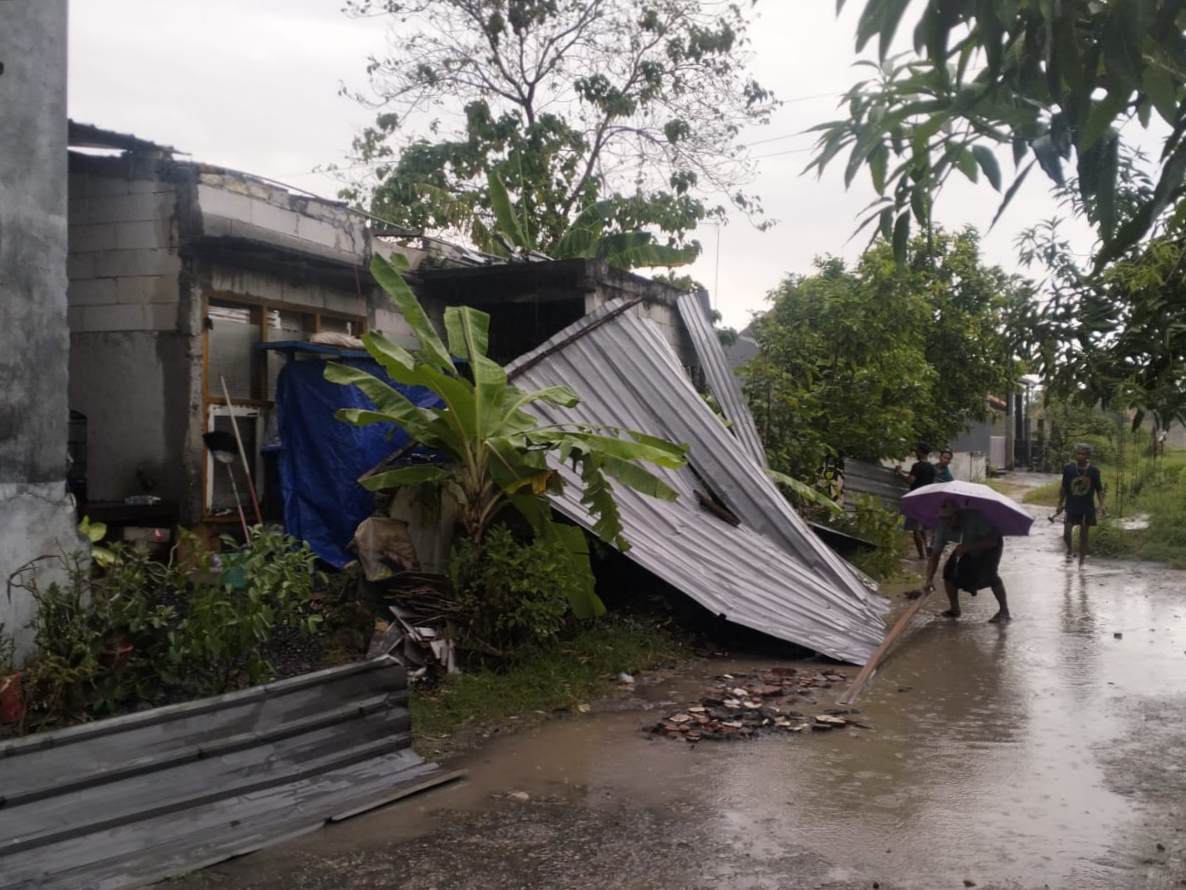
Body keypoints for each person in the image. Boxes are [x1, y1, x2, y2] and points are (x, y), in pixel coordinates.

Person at [912, 499, 1011, 622]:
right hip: (966, 546)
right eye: (943, 519)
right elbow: (935, 556)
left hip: (989, 544)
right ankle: (955, 609)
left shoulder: (975, 517)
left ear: (957, 514)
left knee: (989, 575)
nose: (947, 522)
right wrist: (928, 580)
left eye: (950, 518)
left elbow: (992, 541)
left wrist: (969, 547)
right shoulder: (942, 526)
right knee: (948, 572)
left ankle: (1004, 611)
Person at [1057, 443, 1105, 565]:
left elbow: (1099, 489)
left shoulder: (1094, 471)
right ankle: (1070, 550)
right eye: (1078, 453)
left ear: (1088, 455)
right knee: (1067, 533)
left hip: (1087, 507)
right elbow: (1064, 488)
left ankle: (1082, 562)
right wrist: (1059, 503)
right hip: (1072, 505)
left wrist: (1102, 505)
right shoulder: (1068, 469)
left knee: (1084, 535)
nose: (1080, 456)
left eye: (1083, 454)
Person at [897, 442, 936, 558]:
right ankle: (928, 547)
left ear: (920, 452)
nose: (915, 453)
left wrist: (899, 472)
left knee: (915, 529)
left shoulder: (917, 466)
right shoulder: (932, 468)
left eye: (916, 451)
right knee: (923, 526)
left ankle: (921, 556)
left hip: (916, 499)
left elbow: (910, 481)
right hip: (927, 499)